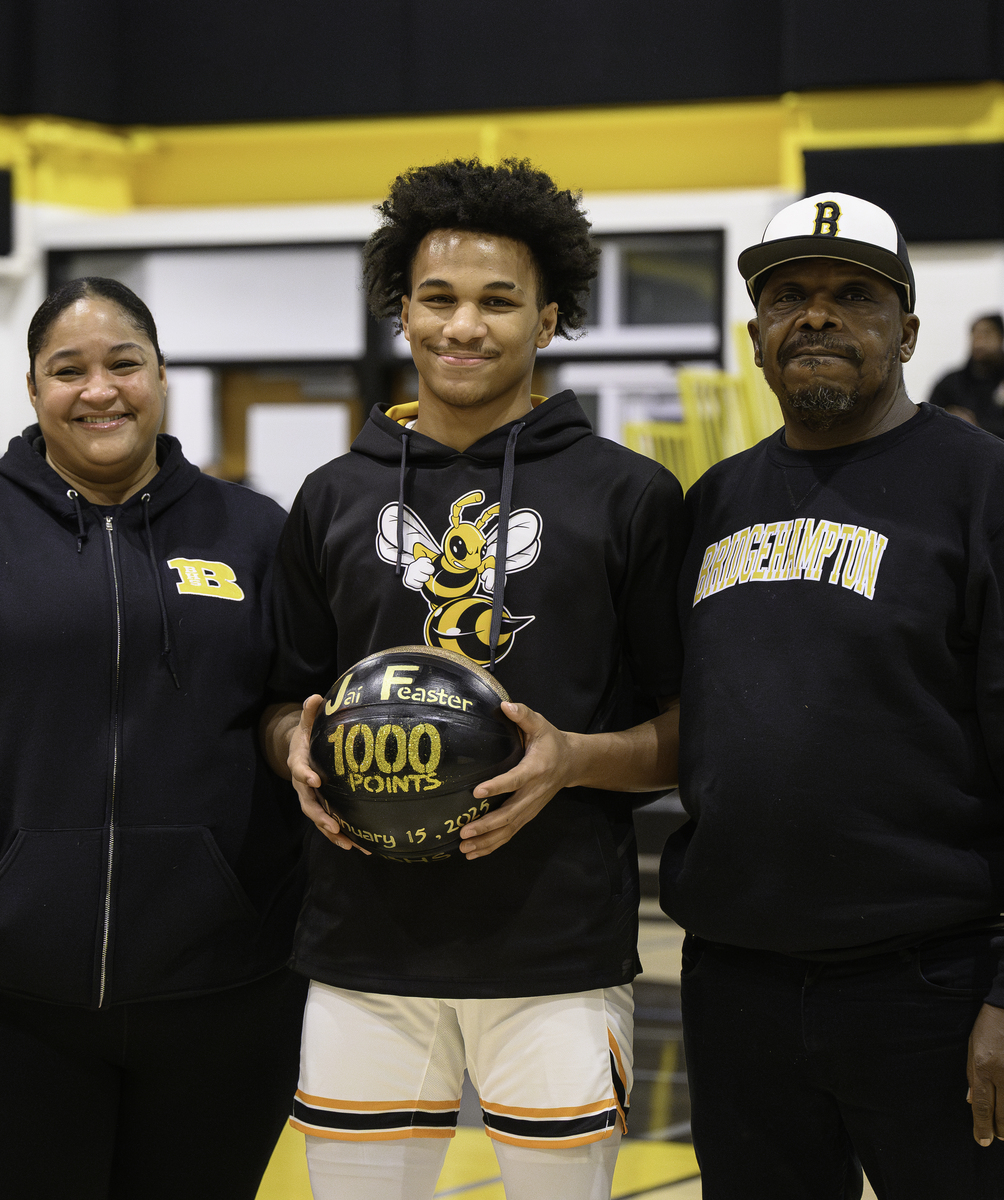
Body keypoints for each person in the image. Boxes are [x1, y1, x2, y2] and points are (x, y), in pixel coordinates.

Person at [664, 193, 1004, 1197]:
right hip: (736, 984)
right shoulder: (713, 504)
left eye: (854, 296)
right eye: (789, 295)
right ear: (757, 336)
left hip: (935, 989)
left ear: (907, 331)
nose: (818, 316)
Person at [0, 277, 307, 1200]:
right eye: (68, 369)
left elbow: (305, 710)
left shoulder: (255, 535)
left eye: (124, 363)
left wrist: (254, 895)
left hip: (222, 996)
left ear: (161, 375)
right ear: (34, 388)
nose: (100, 389)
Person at [261, 158, 686, 1200]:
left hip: (556, 956)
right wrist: (297, 752)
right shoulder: (328, 497)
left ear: (549, 320)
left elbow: (695, 728)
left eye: (500, 301)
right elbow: (277, 699)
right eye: (438, 298)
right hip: (363, 952)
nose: (464, 326)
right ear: (400, 311)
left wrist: (573, 761)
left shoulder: (629, 497)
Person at [929, 313, 1004, 454]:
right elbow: (930, 422)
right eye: (975, 335)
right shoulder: (951, 382)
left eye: (987, 334)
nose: (980, 342)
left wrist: (974, 426)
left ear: (1001, 338)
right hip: (962, 468)